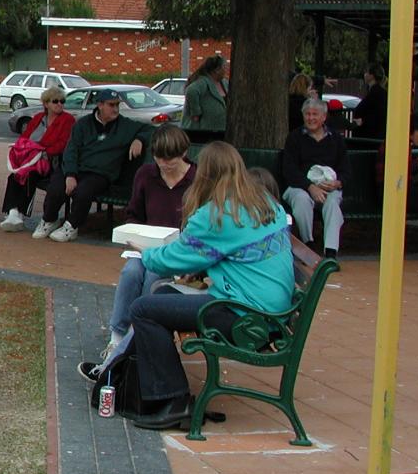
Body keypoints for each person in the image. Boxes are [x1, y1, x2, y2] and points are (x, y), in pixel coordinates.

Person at [82, 142, 294, 430]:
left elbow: (174, 260)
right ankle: (116, 373)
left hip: (243, 315)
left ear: (206, 174)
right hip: (269, 311)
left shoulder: (219, 214)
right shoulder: (265, 203)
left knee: (144, 308)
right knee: (163, 294)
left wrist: (145, 252)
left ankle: (172, 400)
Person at [100, 125, 197, 360]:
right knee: (131, 273)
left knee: (154, 277)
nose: (165, 164)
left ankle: (138, 332)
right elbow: (134, 212)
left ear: (184, 151)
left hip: (175, 250)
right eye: (159, 158)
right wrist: (133, 234)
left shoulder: (196, 179)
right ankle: (117, 336)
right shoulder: (146, 174)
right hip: (144, 245)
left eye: (171, 159)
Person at [34, 88, 151, 242]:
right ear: (100, 105)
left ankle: (72, 226)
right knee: (56, 188)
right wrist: (70, 174)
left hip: (100, 173)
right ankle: (49, 220)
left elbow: (152, 129)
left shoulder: (125, 125)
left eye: (117, 105)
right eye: (111, 105)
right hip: (75, 168)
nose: (115, 109)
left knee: (83, 192)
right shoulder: (83, 124)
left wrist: (140, 139)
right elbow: (71, 150)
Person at [0, 87, 76, 232]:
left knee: (29, 176)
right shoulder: (38, 118)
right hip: (32, 158)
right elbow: (25, 137)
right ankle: (13, 212)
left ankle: (20, 213)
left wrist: (42, 151)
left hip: (51, 162)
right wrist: (25, 150)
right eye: (55, 101)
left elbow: (63, 143)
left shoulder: (67, 120)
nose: (60, 104)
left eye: (62, 101)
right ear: (46, 104)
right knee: (15, 176)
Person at [282, 97, 350, 258]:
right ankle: (308, 244)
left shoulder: (336, 139)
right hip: (300, 185)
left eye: (315, 114)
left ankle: (331, 252)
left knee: (332, 203)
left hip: (328, 186)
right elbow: (289, 170)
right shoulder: (294, 137)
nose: (311, 118)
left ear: (324, 117)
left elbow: (346, 170)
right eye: (307, 114)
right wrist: (310, 187)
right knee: (301, 200)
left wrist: (337, 183)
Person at [376, 111, 418, 214]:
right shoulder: (399, 143)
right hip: (392, 193)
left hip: (397, 189)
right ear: (416, 129)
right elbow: (399, 170)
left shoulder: (402, 141)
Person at [181, 54, 228, 142]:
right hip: (201, 131)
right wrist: (196, 112)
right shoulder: (203, 82)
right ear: (216, 70)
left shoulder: (224, 83)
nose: (226, 70)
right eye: (224, 67)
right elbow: (191, 91)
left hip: (219, 130)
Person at [353, 63, 387, 139]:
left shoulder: (376, 92)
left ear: (371, 75)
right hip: (372, 133)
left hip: (370, 135)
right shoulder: (376, 92)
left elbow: (378, 113)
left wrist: (363, 120)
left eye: (366, 72)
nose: (364, 75)